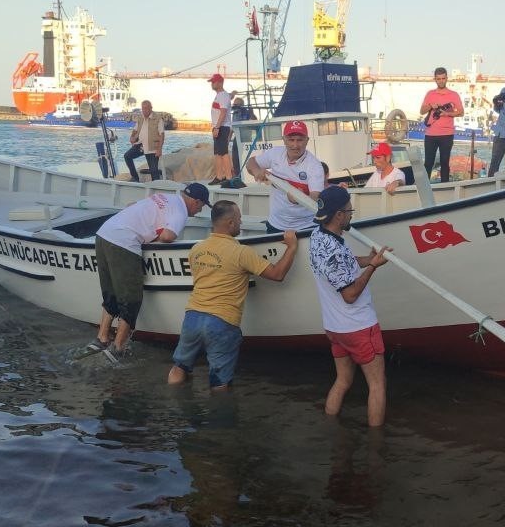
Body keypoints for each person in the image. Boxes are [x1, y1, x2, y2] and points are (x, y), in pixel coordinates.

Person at [167, 200, 299, 389]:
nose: (241, 223)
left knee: (179, 367)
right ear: (230, 223)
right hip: (222, 321)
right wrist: (291, 247)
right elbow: (277, 274)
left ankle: (173, 408)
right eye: (239, 219)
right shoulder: (241, 252)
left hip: (192, 317)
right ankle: (219, 414)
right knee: (219, 384)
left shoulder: (196, 250)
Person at [90, 183, 212, 355]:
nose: (199, 211)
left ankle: (102, 337)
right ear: (197, 202)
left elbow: (132, 206)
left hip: (103, 234)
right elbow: (167, 236)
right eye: (202, 206)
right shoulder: (181, 212)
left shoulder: (166, 197)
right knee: (131, 298)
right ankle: (118, 348)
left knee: (112, 293)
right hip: (123, 242)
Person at [309, 186, 391, 427]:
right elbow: (351, 294)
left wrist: (368, 259)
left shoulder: (318, 237)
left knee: (343, 380)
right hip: (358, 326)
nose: (351, 215)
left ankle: (329, 426)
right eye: (349, 210)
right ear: (339, 216)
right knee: (377, 384)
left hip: (335, 328)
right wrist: (373, 267)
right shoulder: (334, 248)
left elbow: (343, 263)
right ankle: (376, 447)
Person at [244, 119, 324, 232]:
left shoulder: (314, 166)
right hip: (275, 223)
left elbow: (315, 198)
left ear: (307, 140)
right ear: (284, 140)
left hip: (306, 227)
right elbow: (251, 162)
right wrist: (257, 172)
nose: (295, 145)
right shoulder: (275, 153)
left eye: (300, 140)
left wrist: (299, 199)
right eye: (291, 140)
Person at [420, 66, 463, 183]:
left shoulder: (453, 95)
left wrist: (446, 113)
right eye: (438, 79)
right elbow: (422, 111)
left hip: (447, 134)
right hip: (430, 134)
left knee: (445, 162)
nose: (441, 81)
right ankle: (424, 188)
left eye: (443, 78)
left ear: (447, 78)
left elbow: (461, 112)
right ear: (435, 79)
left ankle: (445, 189)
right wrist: (430, 106)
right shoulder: (430, 94)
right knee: (428, 162)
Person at [124, 100, 165, 182]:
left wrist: (159, 149)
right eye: (143, 108)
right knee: (127, 156)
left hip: (152, 148)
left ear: (151, 108)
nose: (145, 110)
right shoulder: (140, 118)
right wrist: (132, 137)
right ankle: (135, 177)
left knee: (154, 171)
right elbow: (135, 130)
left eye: (146, 108)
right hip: (141, 145)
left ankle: (156, 187)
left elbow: (162, 135)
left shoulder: (158, 119)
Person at [209, 74, 234, 185]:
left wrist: (217, 127)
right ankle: (219, 176)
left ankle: (228, 177)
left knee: (223, 152)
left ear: (219, 82)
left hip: (222, 127)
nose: (212, 84)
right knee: (218, 153)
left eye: (213, 82)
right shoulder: (221, 95)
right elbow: (229, 97)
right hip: (218, 126)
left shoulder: (223, 96)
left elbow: (223, 112)